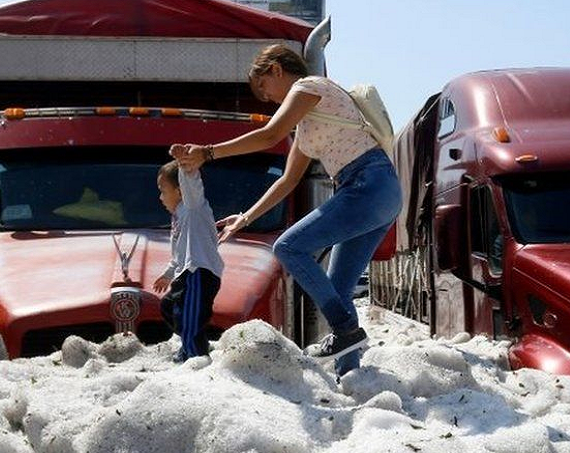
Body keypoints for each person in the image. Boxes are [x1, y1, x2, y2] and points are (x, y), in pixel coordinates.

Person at [171, 44, 402, 376]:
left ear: (276, 69)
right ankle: (349, 375)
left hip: (368, 183)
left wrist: (208, 153)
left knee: (288, 247)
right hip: (376, 191)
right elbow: (288, 181)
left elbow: (269, 136)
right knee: (338, 289)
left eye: (264, 88)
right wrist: (246, 216)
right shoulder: (307, 128)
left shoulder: (309, 86)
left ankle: (347, 331)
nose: (268, 99)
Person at [152, 160, 224, 362]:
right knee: (168, 306)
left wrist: (186, 166)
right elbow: (178, 254)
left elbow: (192, 184)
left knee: (190, 318)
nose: (160, 197)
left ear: (180, 190)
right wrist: (168, 274)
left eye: (163, 190)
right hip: (184, 274)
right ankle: (196, 344)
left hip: (199, 272)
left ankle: (193, 356)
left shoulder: (193, 208)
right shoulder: (177, 217)